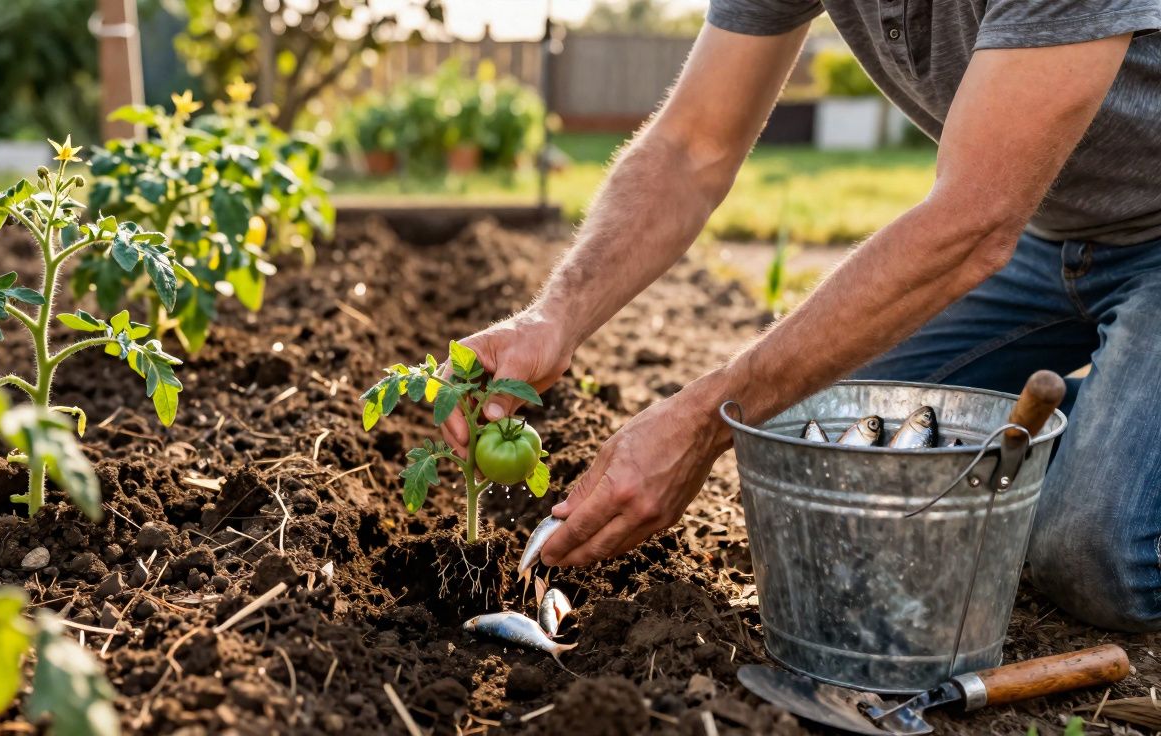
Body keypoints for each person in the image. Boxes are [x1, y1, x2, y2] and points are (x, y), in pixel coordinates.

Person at [441, 1, 1161, 632]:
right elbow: (693, 144)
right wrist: (553, 318)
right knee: (814, 444)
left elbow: (973, 220)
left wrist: (700, 419)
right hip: (1046, 234)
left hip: (1069, 227)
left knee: (1095, 554)